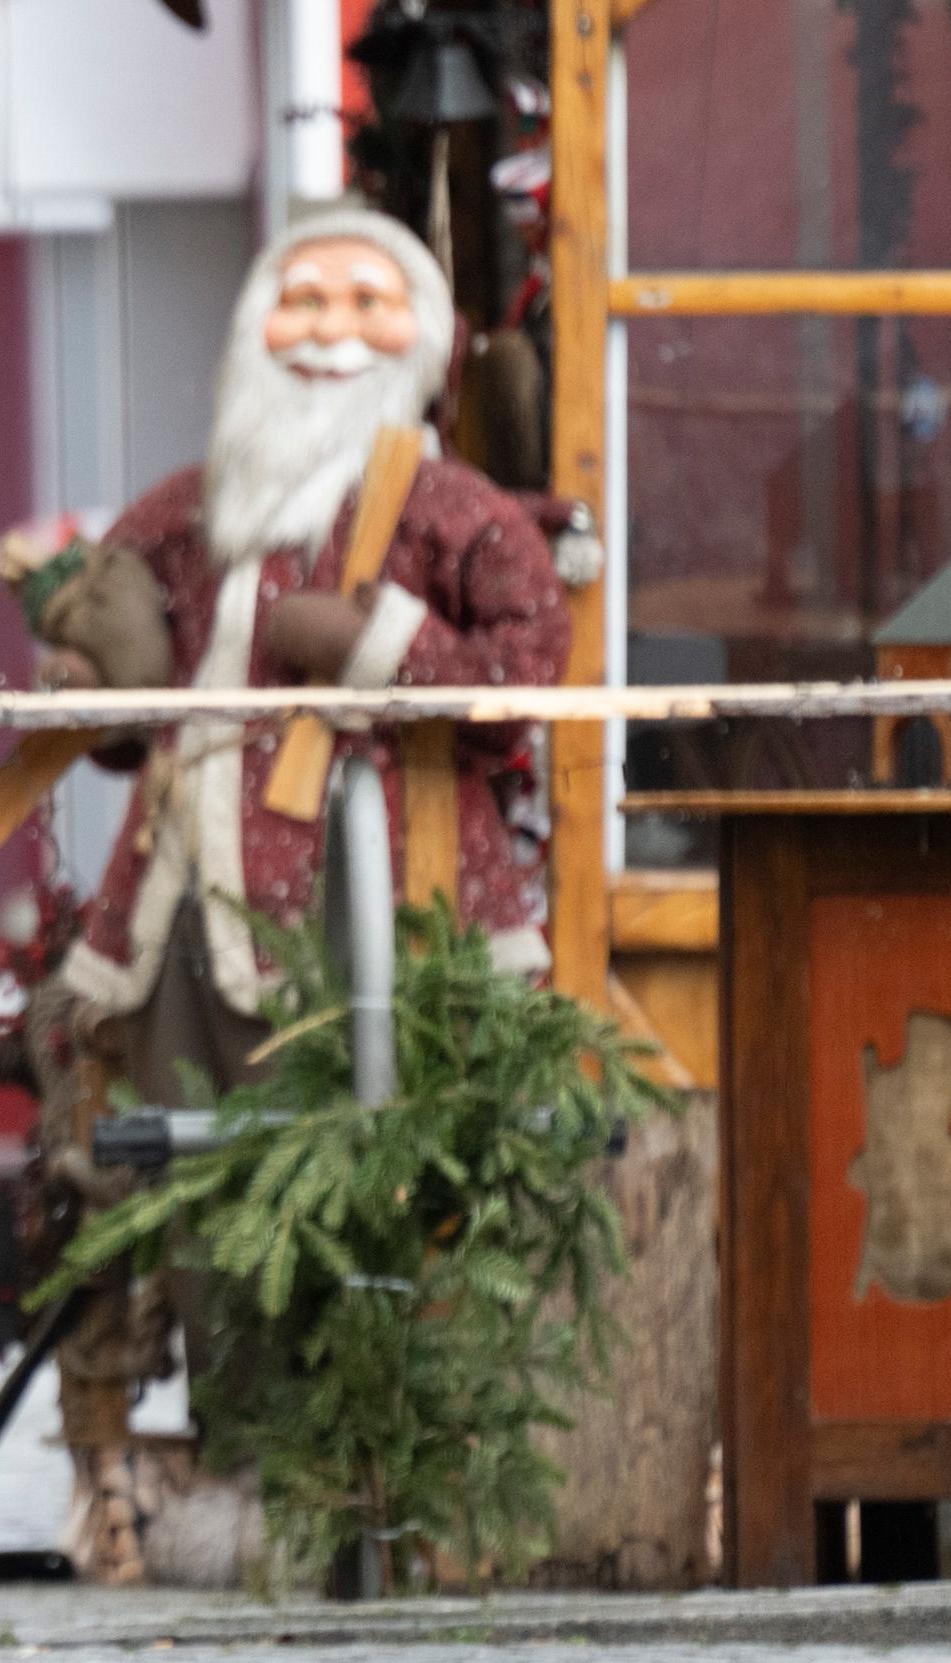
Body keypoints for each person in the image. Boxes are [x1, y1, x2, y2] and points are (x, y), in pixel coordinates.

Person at [44, 206, 570, 1113]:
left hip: (393, 888)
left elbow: (523, 674)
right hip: (193, 889)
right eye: (305, 301)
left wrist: (376, 645)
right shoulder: (188, 511)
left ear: (423, 336)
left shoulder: (453, 510)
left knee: (395, 1135)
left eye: (369, 302)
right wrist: (98, 690)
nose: (333, 330)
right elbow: (137, 703)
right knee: (189, 1158)